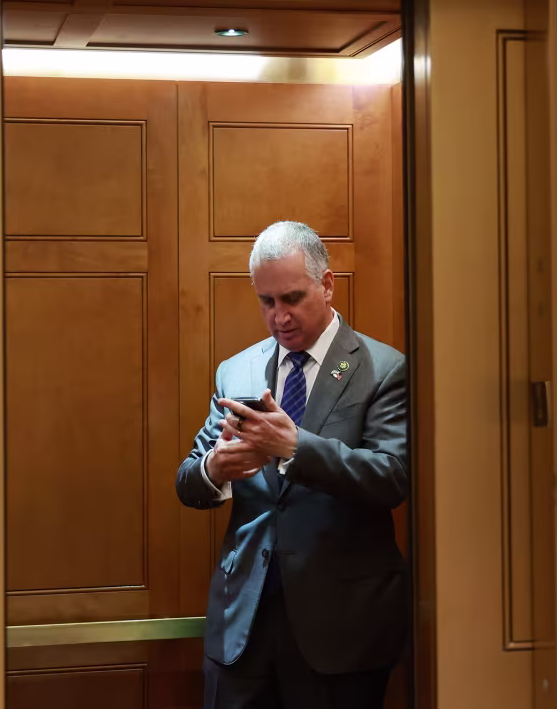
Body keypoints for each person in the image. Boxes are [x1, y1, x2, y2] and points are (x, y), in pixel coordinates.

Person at [175, 220, 410, 709]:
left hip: (340, 629)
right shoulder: (236, 371)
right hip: (242, 628)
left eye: (292, 298)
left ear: (327, 285)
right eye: (266, 301)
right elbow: (188, 480)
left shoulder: (383, 368)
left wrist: (295, 447)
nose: (279, 317)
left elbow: (392, 477)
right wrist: (216, 469)